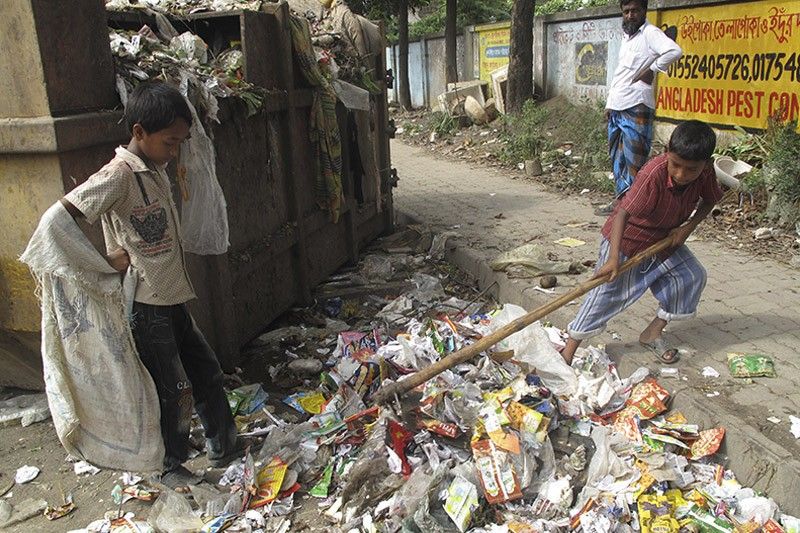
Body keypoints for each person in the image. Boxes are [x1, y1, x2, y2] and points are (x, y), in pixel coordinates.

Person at [60, 82, 243, 487]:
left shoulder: (153, 169)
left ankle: (225, 445)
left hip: (172, 296)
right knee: (175, 388)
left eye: (180, 142)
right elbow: (62, 217)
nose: (174, 151)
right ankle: (169, 466)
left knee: (207, 372)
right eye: (169, 142)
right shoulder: (118, 175)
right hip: (147, 306)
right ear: (139, 132)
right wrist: (100, 262)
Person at [561, 120, 722, 365]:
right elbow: (622, 214)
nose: (681, 175)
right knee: (605, 294)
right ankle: (568, 351)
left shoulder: (706, 173)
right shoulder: (652, 174)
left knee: (691, 276)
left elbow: (710, 200)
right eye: (675, 165)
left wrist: (687, 228)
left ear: (706, 165)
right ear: (667, 152)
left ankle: (652, 333)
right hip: (627, 240)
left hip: (665, 240)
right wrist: (613, 258)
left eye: (691, 169)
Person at [596, 0, 682, 216]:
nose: (630, 15)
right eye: (626, 12)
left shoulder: (650, 34)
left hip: (637, 104)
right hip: (618, 106)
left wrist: (653, 68)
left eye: (635, 11)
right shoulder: (628, 37)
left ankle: (636, 205)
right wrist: (610, 104)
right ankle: (622, 202)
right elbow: (620, 75)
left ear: (644, 11)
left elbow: (674, 51)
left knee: (636, 160)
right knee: (618, 158)